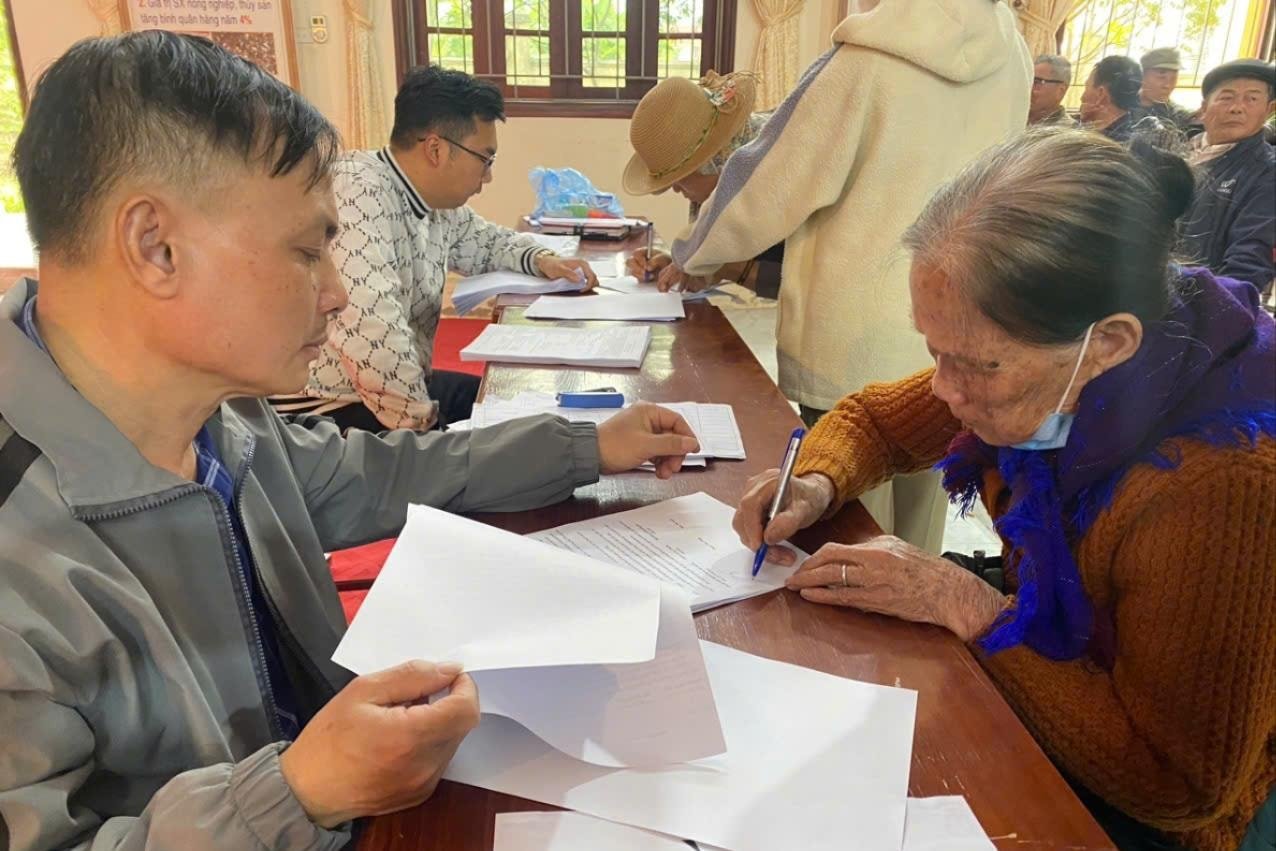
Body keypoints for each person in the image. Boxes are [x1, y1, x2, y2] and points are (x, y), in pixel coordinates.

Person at [0, 32, 701, 851]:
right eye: (306, 251)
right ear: (155, 247)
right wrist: (297, 793)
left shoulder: (221, 423)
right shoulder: (24, 552)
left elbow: (383, 473)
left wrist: (585, 447)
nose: (335, 292)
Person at [734, 128, 1275, 851]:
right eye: (934, 351)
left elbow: (1176, 786)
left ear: (1110, 342)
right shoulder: (1042, 365)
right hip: (1057, 671)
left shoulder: (1219, 480)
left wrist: (968, 604)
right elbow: (873, 421)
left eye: (978, 365)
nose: (944, 389)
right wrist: (813, 484)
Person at [668, 0, 1031, 555]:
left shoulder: (865, 58)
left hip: (851, 342)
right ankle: (917, 643)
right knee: (917, 532)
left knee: (845, 530)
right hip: (953, 335)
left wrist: (692, 255)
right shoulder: (1013, 54)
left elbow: (768, 180)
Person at [278, 66, 598, 432]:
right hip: (327, 407)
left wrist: (544, 259)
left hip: (394, 389)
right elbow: (373, 333)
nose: (488, 176)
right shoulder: (358, 190)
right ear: (436, 149)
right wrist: (431, 436)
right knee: (496, 451)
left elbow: (488, 241)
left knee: (509, 413)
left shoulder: (434, 204)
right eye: (485, 159)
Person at [621, 72, 783, 298]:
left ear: (718, 163)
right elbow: (713, 249)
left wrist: (717, 267)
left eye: (680, 180)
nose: (677, 190)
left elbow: (809, 287)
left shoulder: (787, 174)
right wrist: (676, 263)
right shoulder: (728, 188)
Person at [1179, 59, 1276, 293]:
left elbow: (1249, 262)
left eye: (1252, 98)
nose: (1237, 107)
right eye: (1226, 97)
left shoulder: (1268, 171)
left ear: (1269, 109)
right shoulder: (1176, 156)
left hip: (1198, 307)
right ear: (1203, 108)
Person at [1079, 55, 1144, 142]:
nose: (1081, 98)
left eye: (1086, 87)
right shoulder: (1135, 136)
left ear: (1100, 94)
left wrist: (1080, 129)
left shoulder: (1096, 145)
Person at [1139, 47, 1196, 131]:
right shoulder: (1120, 107)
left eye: (1173, 78)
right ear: (1142, 75)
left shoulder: (1179, 117)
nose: (1168, 85)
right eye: (1161, 76)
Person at [1029, 54, 1074, 126]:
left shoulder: (1068, 133)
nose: (1029, 88)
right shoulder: (1017, 117)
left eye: (1037, 82)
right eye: (1029, 81)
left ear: (1060, 90)